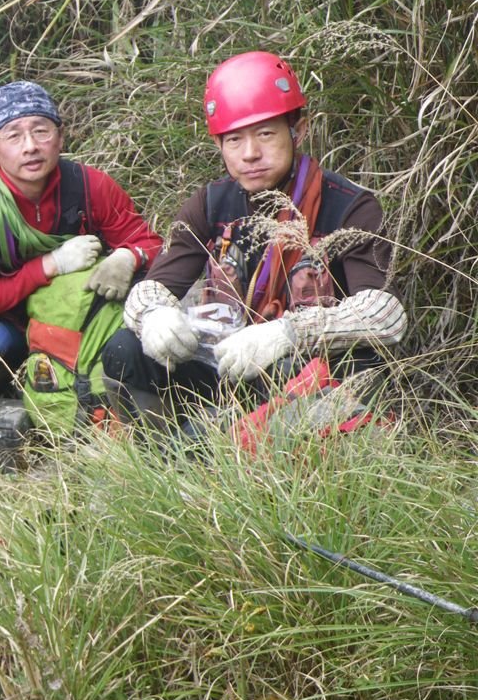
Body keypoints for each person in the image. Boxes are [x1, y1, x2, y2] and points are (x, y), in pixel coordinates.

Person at [102, 50, 406, 427]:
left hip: (299, 370)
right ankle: (162, 456)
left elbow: (385, 316)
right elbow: (152, 289)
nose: (250, 154)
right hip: (223, 363)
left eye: (265, 134)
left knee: (344, 365)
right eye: (234, 140)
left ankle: (230, 448)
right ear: (219, 146)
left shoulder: (350, 208)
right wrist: (154, 317)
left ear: (299, 130)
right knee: (124, 348)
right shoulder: (210, 203)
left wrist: (289, 334)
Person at [0, 80, 163, 393]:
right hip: (10, 320)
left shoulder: (90, 187)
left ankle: (97, 386)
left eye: (41, 130)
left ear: (60, 137)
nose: (30, 145)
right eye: (14, 135)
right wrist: (51, 265)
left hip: (81, 315)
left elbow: (151, 243)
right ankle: (13, 387)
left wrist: (128, 256)